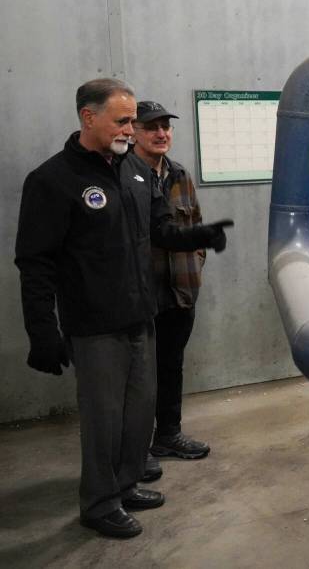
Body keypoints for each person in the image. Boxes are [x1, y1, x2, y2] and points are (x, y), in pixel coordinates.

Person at [15, 78, 232, 539]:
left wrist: (198, 235)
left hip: (142, 316)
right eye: (123, 120)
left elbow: (160, 231)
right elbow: (35, 264)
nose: (131, 129)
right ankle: (98, 502)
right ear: (88, 117)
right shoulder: (53, 181)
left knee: (139, 414)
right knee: (104, 420)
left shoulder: (133, 173)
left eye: (132, 120)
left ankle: (126, 484)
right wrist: (42, 331)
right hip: (94, 327)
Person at [131, 101, 211, 482]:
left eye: (165, 127)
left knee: (171, 366)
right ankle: (137, 449)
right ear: (133, 131)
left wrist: (195, 261)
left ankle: (168, 435)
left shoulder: (179, 174)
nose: (161, 133)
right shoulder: (121, 175)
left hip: (180, 291)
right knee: (138, 374)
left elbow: (194, 222)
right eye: (152, 127)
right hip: (139, 296)